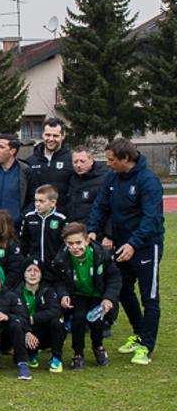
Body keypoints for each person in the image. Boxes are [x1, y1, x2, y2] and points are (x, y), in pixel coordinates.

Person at [86, 138, 164, 366]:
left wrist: (134, 244)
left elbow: (152, 218)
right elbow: (101, 205)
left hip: (146, 245)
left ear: (125, 159)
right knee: (122, 290)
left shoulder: (148, 181)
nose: (107, 164)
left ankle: (146, 348)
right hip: (121, 244)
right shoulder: (112, 178)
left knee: (149, 297)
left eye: (111, 160)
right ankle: (140, 334)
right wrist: (93, 230)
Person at [55, 223, 120, 370]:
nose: (75, 247)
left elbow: (114, 278)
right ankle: (78, 353)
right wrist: (63, 295)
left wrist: (108, 298)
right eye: (70, 243)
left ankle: (98, 347)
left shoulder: (101, 255)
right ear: (65, 243)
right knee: (78, 319)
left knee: (96, 321)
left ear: (87, 240)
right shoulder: (62, 258)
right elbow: (59, 281)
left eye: (78, 243)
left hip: (98, 295)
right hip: (79, 295)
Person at [25, 118, 74, 205]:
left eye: (55, 136)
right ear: (42, 135)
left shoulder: (72, 160)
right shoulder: (30, 161)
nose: (51, 139)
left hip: (62, 215)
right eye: (47, 135)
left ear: (63, 136)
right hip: (36, 215)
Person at [65, 145, 109, 230]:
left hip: (95, 232)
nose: (78, 165)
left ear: (91, 160)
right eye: (75, 162)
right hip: (75, 231)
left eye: (82, 161)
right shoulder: (72, 178)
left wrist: (108, 234)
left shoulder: (104, 178)